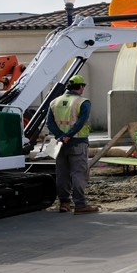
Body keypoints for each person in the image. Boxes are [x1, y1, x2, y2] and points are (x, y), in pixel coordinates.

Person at [47, 75, 98, 214]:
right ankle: (80, 205)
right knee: (78, 173)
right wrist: (69, 135)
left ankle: (64, 203)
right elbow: (80, 122)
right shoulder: (83, 102)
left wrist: (60, 136)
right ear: (81, 87)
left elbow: (49, 123)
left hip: (59, 144)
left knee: (62, 173)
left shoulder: (54, 102)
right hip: (77, 142)